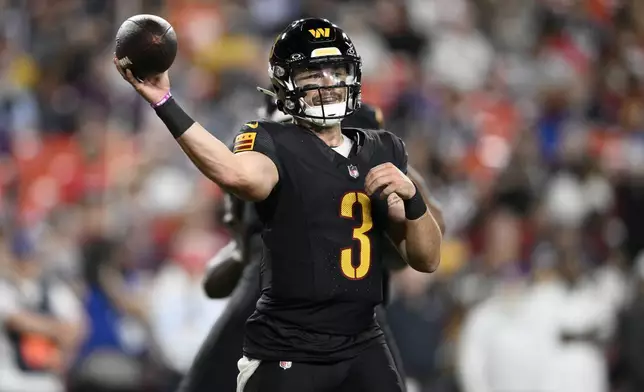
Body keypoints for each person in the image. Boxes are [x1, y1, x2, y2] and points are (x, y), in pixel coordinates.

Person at [114, 17, 442, 392]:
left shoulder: (382, 148)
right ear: (286, 84)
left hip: (361, 339)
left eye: (336, 71)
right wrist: (165, 103)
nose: (328, 84)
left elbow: (427, 258)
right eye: (312, 75)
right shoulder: (271, 138)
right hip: (290, 344)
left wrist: (414, 199)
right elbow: (238, 175)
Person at [177, 94, 445, 392]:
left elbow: (425, 237)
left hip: (353, 317)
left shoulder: (358, 132)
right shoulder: (262, 140)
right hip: (278, 313)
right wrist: (244, 250)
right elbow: (224, 272)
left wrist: (398, 212)